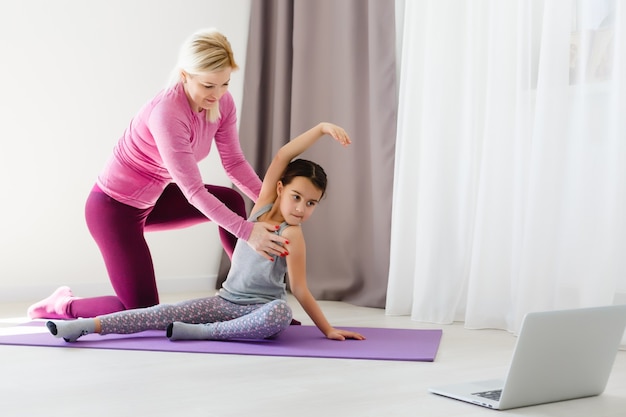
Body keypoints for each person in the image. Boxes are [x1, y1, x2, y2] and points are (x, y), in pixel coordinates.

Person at [26, 28, 289, 320]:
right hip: (113, 209)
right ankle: (61, 305)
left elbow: (235, 164)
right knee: (141, 314)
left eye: (225, 84)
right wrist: (248, 231)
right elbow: (193, 191)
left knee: (230, 200)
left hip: (154, 200)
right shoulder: (167, 113)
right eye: (208, 86)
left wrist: (275, 207)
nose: (217, 95)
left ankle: (247, 297)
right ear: (185, 75)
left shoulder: (221, 103)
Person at [45, 122, 365, 343]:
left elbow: (301, 290)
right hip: (225, 303)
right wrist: (322, 129)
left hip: (259, 310)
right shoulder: (262, 209)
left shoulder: (293, 235)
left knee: (280, 313)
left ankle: (203, 333)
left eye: (311, 203)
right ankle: (86, 326)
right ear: (279, 189)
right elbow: (283, 156)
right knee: (162, 312)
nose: (301, 208)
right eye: (297, 197)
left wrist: (328, 330)